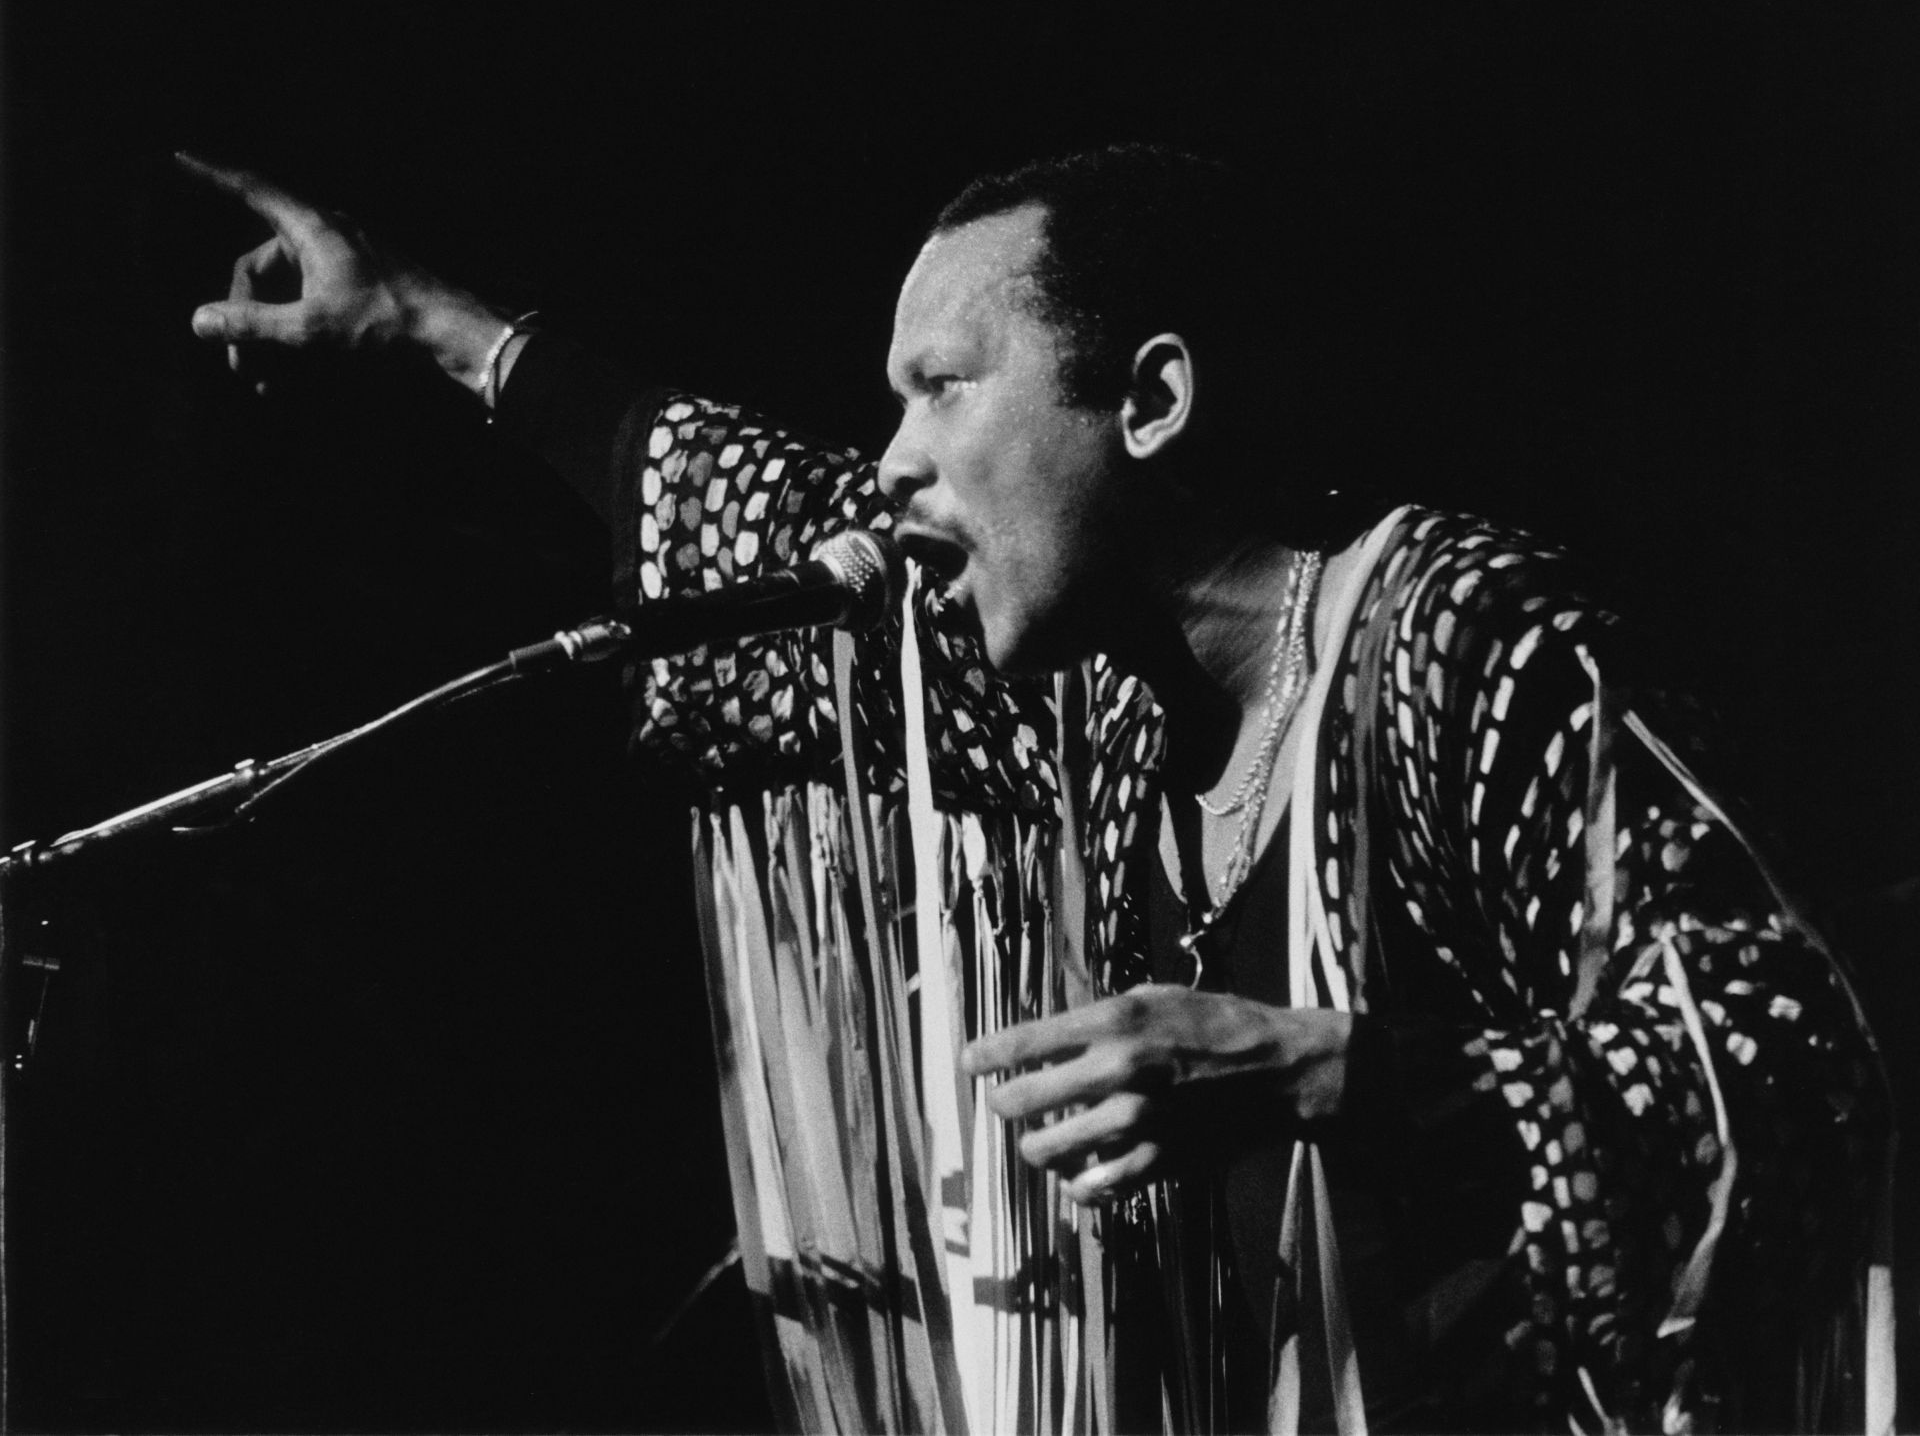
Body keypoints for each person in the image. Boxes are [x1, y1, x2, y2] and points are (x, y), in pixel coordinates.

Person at [179, 145, 1890, 1433]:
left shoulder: (1460, 631)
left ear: (1147, 401)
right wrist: (431, 327)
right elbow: (753, 494)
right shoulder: (1101, 726)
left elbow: (1798, 1066)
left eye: (945, 385)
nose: (896, 459)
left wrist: (1334, 1072)